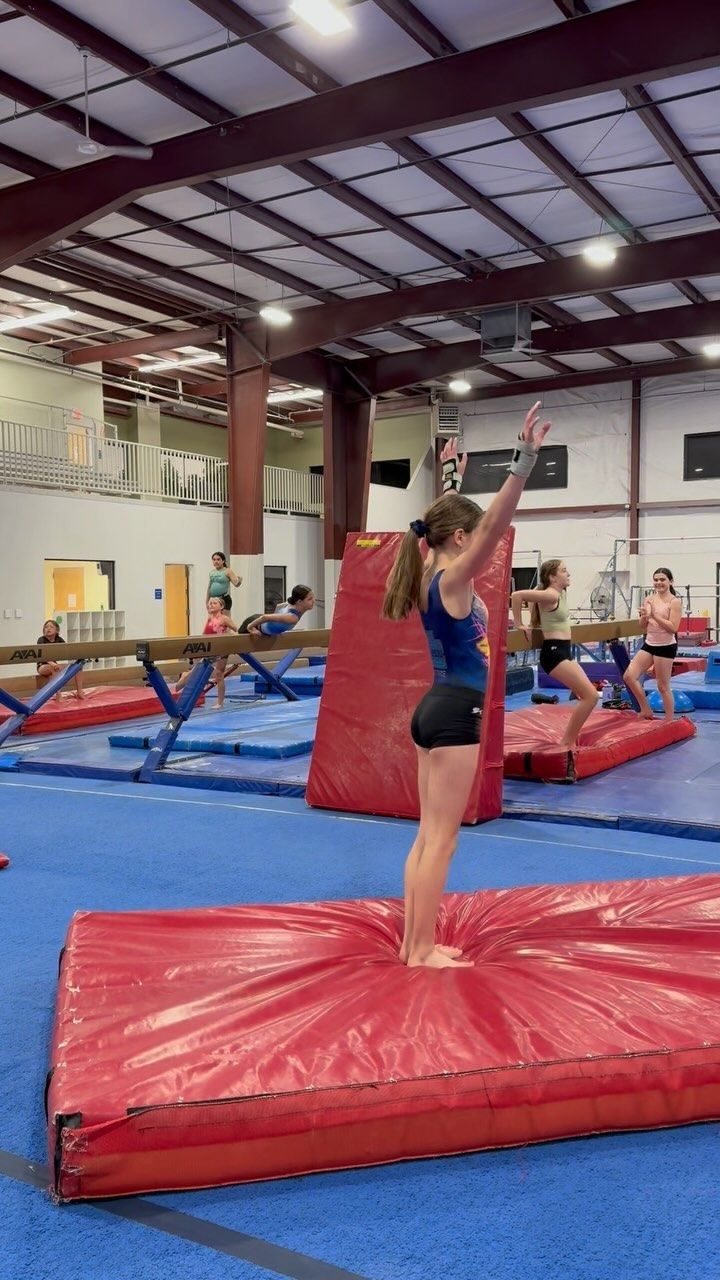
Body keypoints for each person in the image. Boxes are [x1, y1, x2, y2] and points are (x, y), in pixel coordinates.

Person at [382, 403, 551, 969]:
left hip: (434, 709)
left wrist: (453, 474)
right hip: (456, 713)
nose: (481, 542)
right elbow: (493, 526)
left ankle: (412, 943)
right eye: (471, 535)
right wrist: (523, 461)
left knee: (427, 836)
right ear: (459, 537)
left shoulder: (430, 572)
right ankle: (422, 950)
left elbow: (460, 522)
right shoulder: (453, 576)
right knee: (444, 840)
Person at [511, 559, 600, 750]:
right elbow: (516, 595)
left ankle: (570, 738)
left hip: (563, 651)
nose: (568, 574)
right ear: (552, 577)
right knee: (591, 696)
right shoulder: (550, 595)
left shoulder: (559, 593)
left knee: (583, 694)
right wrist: (519, 623)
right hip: (554, 653)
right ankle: (567, 741)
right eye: (564, 571)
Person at [623, 566, 682, 721]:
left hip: (666, 646)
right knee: (629, 676)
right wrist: (643, 616)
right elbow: (642, 625)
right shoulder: (649, 598)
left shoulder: (674, 602)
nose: (658, 583)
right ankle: (646, 709)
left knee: (662, 686)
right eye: (656, 580)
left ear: (671, 582)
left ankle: (669, 720)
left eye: (662, 579)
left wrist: (654, 615)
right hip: (649, 643)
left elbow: (673, 628)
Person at [176, 597, 238, 710]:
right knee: (197, 670)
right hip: (210, 648)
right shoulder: (209, 619)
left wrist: (231, 640)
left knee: (219, 674)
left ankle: (220, 702)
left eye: (214, 603)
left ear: (222, 607)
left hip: (222, 648)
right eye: (210, 603)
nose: (211, 605)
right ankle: (186, 675)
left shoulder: (225, 619)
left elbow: (236, 629)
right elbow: (205, 634)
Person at [36, 619, 85, 700]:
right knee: (55, 668)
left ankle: (79, 691)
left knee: (78, 667)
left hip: (55, 666)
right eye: (46, 627)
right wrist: (53, 664)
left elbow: (68, 650)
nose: (48, 628)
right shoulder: (41, 640)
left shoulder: (59, 640)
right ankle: (58, 694)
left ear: (57, 630)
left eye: (51, 627)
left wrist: (78, 656)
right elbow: (43, 656)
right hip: (42, 666)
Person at [245, 585, 315, 636]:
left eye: (313, 598)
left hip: (258, 621)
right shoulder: (293, 617)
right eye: (309, 599)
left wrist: (276, 621)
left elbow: (278, 606)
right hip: (256, 625)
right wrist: (250, 627)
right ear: (299, 601)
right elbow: (265, 617)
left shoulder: (290, 605)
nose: (313, 601)